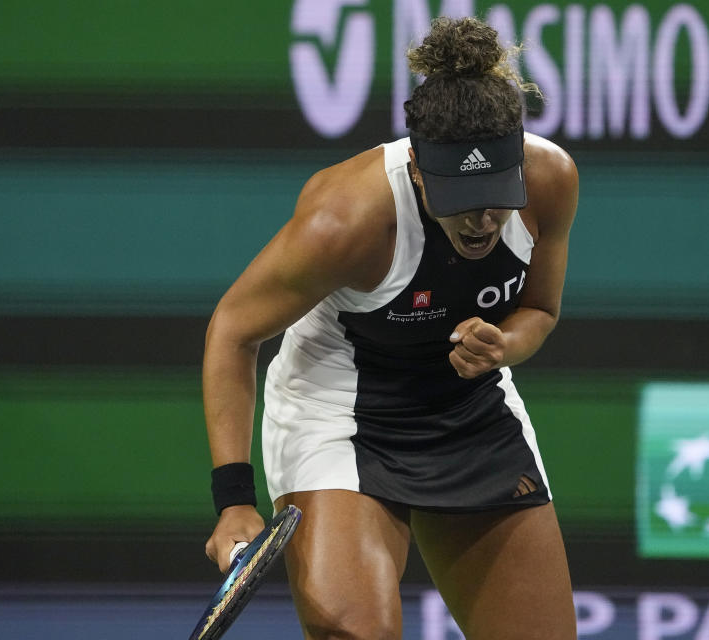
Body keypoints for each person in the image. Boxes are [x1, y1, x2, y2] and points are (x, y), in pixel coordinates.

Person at [202, 15, 578, 640]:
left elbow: (539, 311)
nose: (484, 222)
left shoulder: (550, 181)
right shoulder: (343, 220)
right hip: (342, 412)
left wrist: (504, 346)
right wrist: (233, 501)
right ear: (420, 172)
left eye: (496, 194)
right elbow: (233, 331)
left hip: (468, 410)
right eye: (462, 198)